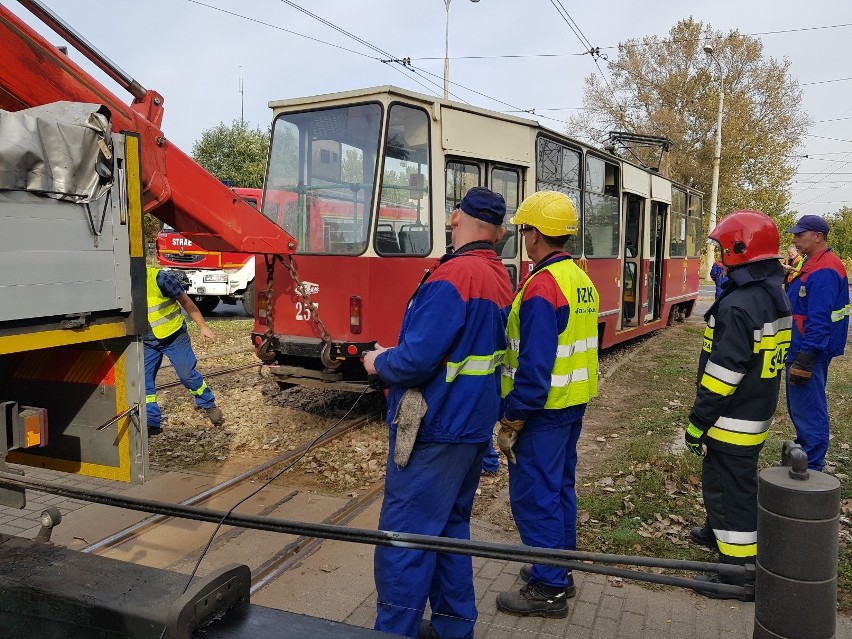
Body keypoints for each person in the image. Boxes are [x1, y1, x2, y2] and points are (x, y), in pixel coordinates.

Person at [363, 187, 513, 639]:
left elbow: (416, 361)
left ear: (454, 219)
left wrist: (379, 362)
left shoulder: (455, 276)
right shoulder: (498, 275)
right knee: (449, 535)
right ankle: (453, 629)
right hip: (470, 429)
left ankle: (394, 631)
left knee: (404, 539)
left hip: (435, 428)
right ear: (500, 232)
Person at [493, 191, 599, 619]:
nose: (523, 236)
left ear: (534, 235)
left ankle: (549, 589)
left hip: (542, 410)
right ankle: (559, 568)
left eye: (524, 230)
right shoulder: (579, 277)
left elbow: (535, 366)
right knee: (559, 491)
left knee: (535, 496)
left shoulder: (542, 286)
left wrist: (514, 415)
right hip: (572, 403)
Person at [684, 210, 791, 600]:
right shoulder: (771, 296)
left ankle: (738, 576)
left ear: (738, 249)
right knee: (730, 484)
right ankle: (717, 533)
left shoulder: (739, 306)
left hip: (731, 419)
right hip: (755, 413)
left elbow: (721, 378)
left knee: (730, 492)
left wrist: (697, 423)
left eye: (720, 248)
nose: (718, 255)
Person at [785, 214, 850, 471]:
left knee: (808, 407)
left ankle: (811, 467)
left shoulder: (824, 269)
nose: (794, 239)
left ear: (818, 236)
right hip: (804, 346)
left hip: (809, 349)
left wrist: (806, 356)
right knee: (802, 406)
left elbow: (820, 318)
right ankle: (806, 454)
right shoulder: (813, 263)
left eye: (800, 235)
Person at [145, 266, 224, 436]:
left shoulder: (161, 278)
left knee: (187, 375)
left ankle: (208, 404)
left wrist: (203, 327)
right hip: (146, 341)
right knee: (143, 383)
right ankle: (151, 423)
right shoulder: (120, 284)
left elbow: (186, 302)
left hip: (174, 336)